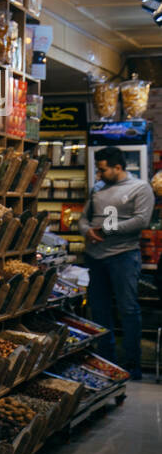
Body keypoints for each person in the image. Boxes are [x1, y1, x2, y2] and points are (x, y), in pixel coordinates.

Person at [78, 145, 155, 379]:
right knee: (99, 311)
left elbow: (141, 220)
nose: (99, 175)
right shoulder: (97, 189)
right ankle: (106, 363)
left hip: (123, 257)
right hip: (96, 258)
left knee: (128, 310)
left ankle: (133, 366)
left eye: (102, 170)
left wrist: (107, 230)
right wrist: (87, 232)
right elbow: (83, 219)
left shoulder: (140, 188)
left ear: (118, 167)